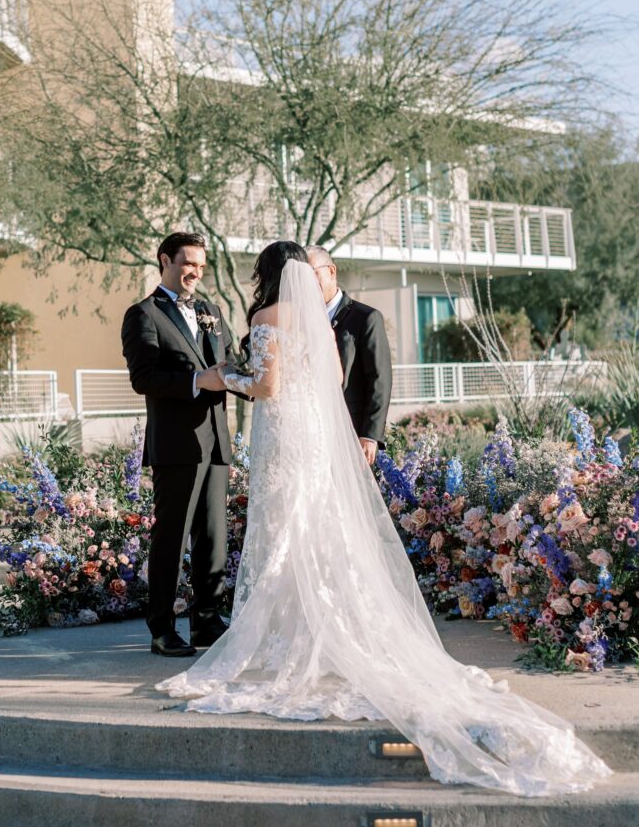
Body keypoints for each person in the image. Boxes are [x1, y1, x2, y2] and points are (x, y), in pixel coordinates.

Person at [156, 241, 610, 796]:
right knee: (318, 532)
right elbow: (331, 384)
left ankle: (292, 634)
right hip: (317, 438)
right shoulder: (321, 323)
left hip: (284, 439)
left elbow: (268, 387)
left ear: (268, 275)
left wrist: (228, 377)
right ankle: (320, 628)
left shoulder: (267, 316)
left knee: (285, 534)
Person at [122, 231, 240, 657]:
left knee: (213, 538)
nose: (195, 272)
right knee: (171, 539)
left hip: (215, 442)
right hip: (175, 447)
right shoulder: (143, 314)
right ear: (165, 260)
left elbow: (226, 366)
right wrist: (196, 380)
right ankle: (161, 629)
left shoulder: (211, 310)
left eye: (201, 267)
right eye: (188, 263)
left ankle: (207, 620)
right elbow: (144, 378)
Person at [306, 245, 392, 465]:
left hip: (350, 431)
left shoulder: (366, 318)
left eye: (312, 273)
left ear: (331, 271)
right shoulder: (297, 320)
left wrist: (370, 435)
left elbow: (379, 379)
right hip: (309, 433)